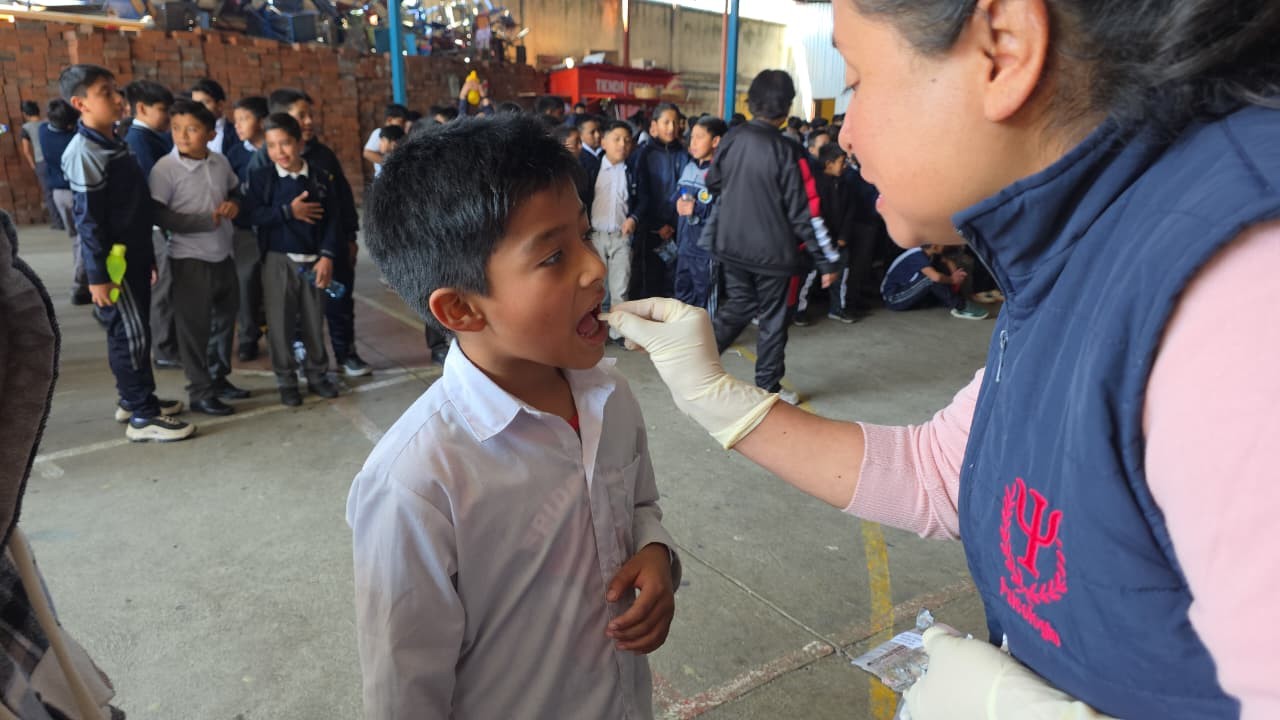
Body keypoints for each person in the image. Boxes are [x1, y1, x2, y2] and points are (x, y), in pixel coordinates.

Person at [602, 1, 1280, 718]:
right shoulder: (1092, 242)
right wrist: (712, 394)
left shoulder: (1240, 297)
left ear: (1005, 48)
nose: (846, 132)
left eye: (857, 80)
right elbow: (946, 470)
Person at [351, 114, 680, 718]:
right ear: (461, 309)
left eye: (584, 234)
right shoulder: (416, 484)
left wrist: (656, 553)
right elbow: (404, 692)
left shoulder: (609, 397)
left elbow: (640, 505)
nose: (594, 268)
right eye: (554, 255)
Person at [60, 64, 196, 442]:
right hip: (113, 263)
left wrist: (146, 256)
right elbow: (88, 222)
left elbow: (132, 209)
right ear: (80, 104)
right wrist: (98, 276)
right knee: (130, 334)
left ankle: (135, 398)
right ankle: (142, 416)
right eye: (105, 93)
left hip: (133, 254)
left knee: (135, 330)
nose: (118, 99)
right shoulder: (85, 151)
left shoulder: (113, 141)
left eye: (115, 89)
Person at [699, 70, 841, 404]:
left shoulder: (732, 138)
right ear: (787, 107)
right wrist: (826, 260)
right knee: (773, 320)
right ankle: (768, 388)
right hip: (774, 255)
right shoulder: (789, 150)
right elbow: (804, 212)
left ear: (751, 101)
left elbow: (713, 181)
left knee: (738, 305)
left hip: (731, 244)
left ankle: (697, 362)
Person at [148, 99, 251, 417]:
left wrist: (234, 204)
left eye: (191, 129)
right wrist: (202, 222)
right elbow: (157, 214)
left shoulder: (219, 162)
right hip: (189, 259)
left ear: (210, 133)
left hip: (223, 254)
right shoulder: (165, 169)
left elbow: (236, 191)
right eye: (176, 128)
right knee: (194, 330)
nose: (182, 135)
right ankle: (200, 391)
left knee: (224, 323)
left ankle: (219, 379)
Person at [267, 88, 368, 377]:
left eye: (310, 115)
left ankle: (346, 354)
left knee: (339, 300)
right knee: (300, 311)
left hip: (331, 248)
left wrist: (350, 237)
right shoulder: (268, 165)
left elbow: (342, 200)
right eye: (301, 115)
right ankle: (304, 358)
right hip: (294, 254)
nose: (309, 121)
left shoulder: (323, 156)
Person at [243, 113, 342, 407]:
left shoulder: (320, 177)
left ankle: (317, 374)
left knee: (314, 320)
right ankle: (286, 380)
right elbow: (252, 215)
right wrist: (288, 212)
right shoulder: (262, 178)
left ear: (299, 142)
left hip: (314, 261)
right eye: (272, 146)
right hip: (279, 261)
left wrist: (327, 256)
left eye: (285, 143)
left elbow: (333, 220)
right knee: (280, 323)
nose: (280, 152)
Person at [123, 79, 182, 369]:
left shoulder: (152, 137)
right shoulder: (139, 141)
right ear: (142, 109)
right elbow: (154, 188)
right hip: (157, 227)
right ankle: (164, 348)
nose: (167, 116)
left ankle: (169, 343)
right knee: (164, 288)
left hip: (163, 224)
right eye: (162, 110)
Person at [796, 142, 861, 325]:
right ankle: (799, 310)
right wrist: (824, 238)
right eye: (841, 162)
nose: (845, 165)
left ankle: (838, 308)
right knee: (809, 276)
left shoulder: (845, 184)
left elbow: (850, 212)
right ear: (829, 164)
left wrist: (844, 236)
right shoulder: (815, 185)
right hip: (819, 240)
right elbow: (816, 214)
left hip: (840, 240)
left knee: (841, 276)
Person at [630, 103, 690, 299]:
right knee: (652, 280)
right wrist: (657, 225)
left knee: (675, 281)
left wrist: (674, 224)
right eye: (666, 122)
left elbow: (686, 190)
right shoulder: (644, 154)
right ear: (654, 125)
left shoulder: (684, 154)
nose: (671, 127)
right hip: (652, 230)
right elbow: (643, 195)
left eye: (675, 122)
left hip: (678, 229)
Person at [588, 120, 639, 344]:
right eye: (616, 139)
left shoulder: (633, 171)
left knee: (620, 286)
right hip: (596, 237)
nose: (622, 145)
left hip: (621, 237)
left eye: (627, 140)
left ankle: (617, 332)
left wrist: (633, 218)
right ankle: (596, 329)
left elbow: (643, 200)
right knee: (596, 287)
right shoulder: (591, 169)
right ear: (604, 142)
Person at [229, 95, 269, 362]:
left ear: (262, 121)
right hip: (245, 230)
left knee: (273, 285)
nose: (238, 125)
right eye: (236, 120)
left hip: (275, 227)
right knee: (245, 284)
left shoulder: (277, 149)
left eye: (244, 119)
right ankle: (247, 336)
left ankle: (281, 335)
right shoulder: (235, 154)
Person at [672, 115, 727, 308]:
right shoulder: (688, 167)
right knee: (682, 296)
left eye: (699, 137)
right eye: (692, 137)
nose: (693, 142)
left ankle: (707, 328)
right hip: (684, 247)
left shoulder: (722, 172)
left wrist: (698, 208)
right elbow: (678, 195)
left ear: (715, 141)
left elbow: (727, 212)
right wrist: (677, 203)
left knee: (705, 297)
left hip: (706, 252)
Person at [39, 99, 85, 302]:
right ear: (69, 125)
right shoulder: (74, 138)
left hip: (58, 194)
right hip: (75, 192)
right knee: (84, 240)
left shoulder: (43, 131)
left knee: (76, 239)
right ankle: (79, 285)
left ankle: (81, 279)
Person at [880, 243, 988, 319]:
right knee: (930, 278)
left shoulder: (928, 251)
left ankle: (954, 300)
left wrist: (956, 277)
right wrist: (952, 280)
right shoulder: (917, 255)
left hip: (907, 291)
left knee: (938, 274)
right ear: (934, 246)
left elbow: (947, 260)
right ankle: (961, 306)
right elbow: (936, 278)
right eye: (942, 243)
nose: (945, 245)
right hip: (894, 298)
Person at [18, 100, 60, 231]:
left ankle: (58, 222)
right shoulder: (48, 123)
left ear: (25, 113)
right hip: (55, 160)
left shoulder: (26, 128)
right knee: (61, 189)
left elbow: (26, 150)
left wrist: (33, 165)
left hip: (40, 162)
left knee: (49, 193)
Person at [190, 78, 240, 156]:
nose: (198, 108)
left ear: (220, 105)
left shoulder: (237, 134)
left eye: (204, 103)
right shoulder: (186, 133)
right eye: (194, 103)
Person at [361, 103, 408, 178]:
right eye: (400, 121)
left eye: (405, 123)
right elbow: (367, 153)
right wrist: (390, 164)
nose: (403, 125)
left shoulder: (403, 134)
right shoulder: (378, 132)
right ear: (389, 119)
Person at [577, 113, 604, 179]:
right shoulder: (578, 158)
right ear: (580, 135)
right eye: (592, 132)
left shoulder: (607, 152)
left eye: (599, 130)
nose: (598, 135)